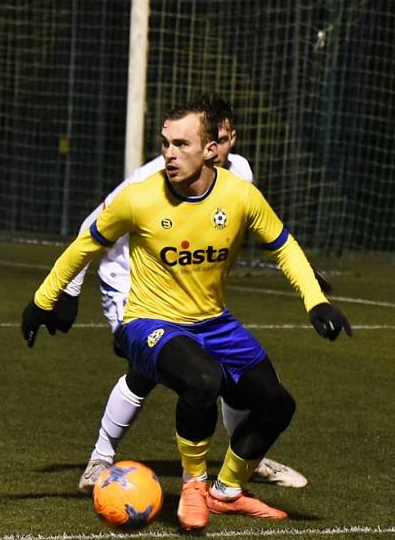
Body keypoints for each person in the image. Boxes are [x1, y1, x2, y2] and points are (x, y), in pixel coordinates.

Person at [21, 94, 351, 531]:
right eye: (165, 144)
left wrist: (316, 300)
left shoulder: (240, 194)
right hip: (146, 321)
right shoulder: (139, 197)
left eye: (181, 144)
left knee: (276, 405)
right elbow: (84, 244)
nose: (169, 154)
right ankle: (193, 485)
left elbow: (283, 246)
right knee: (202, 380)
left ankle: (227, 492)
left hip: (213, 321)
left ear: (212, 149)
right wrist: (45, 300)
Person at [59, 98, 307, 494]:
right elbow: (91, 225)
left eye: (224, 140)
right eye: (214, 140)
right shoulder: (155, 176)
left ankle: (246, 459)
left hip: (188, 286)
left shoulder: (238, 173)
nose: (219, 149)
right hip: (127, 280)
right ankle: (99, 461)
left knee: (225, 368)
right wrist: (68, 291)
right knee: (148, 371)